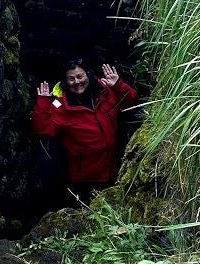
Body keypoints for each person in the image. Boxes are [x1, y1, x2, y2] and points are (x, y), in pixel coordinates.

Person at [31, 59, 138, 201]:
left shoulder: (105, 90)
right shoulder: (61, 106)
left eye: (80, 76)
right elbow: (43, 129)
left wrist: (118, 84)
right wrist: (43, 101)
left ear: (88, 75)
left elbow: (131, 100)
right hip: (88, 177)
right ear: (65, 81)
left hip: (117, 166)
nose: (77, 82)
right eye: (71, 78)